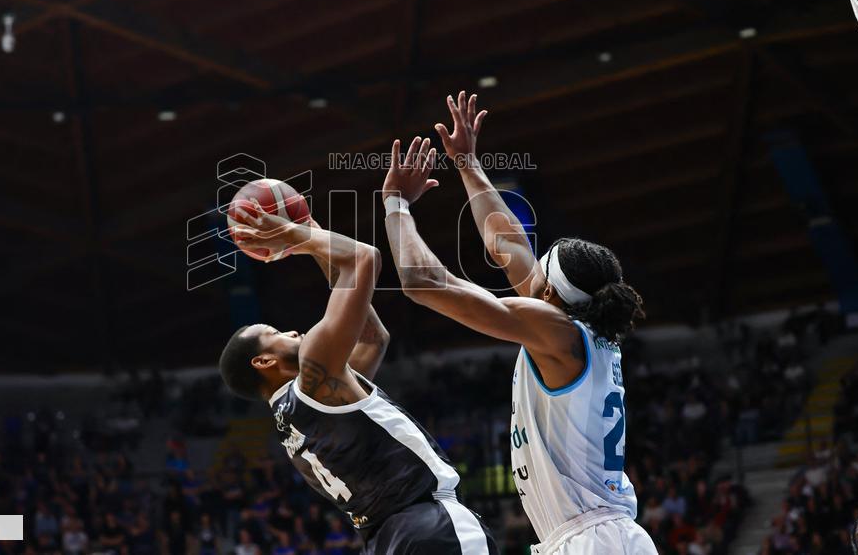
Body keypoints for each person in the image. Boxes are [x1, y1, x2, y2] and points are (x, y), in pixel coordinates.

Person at [380, 91, 657, 554]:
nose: (529, 269)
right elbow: (505, 242)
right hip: (599, 535)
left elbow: (422, 282)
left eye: (540, 272)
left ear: (549, 294)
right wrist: (467, 163)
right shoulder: (575, 327)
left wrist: (395, 205)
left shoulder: (557, 332)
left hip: (593, 540)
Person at [219, 205, 497, 554]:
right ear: (264, 361)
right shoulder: (314, 375)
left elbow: (372, 339)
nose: (291, 331)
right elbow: (364, 257)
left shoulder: (296, 415)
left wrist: (313, 232)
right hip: (429, 524)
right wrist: (295, 235)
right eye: (276, 333)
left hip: (386, 541)